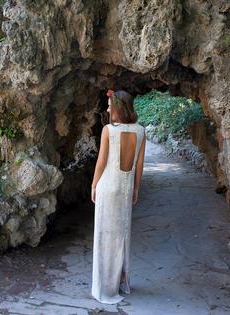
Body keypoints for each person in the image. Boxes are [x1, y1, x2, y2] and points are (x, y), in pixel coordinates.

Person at [90, 89, 146, 304]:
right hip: (124, 188)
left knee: (105, 236)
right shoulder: (141, 131)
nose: (107, 108)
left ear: (117, 108)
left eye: (109, 105)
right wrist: (136, 189)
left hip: (107, 187)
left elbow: (102, 162)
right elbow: (139, 165)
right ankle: (121, 279)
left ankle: (105, 286)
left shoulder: (108, 130)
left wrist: (94, 185)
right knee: (122, 235)